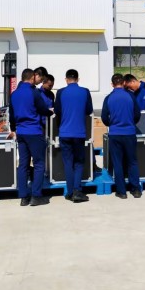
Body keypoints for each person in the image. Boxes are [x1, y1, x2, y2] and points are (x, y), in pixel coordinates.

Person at [9, 68, 53, 207]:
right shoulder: (34, 92)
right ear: (32, 77)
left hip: (21, 133)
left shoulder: (14, 94)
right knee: (39, 164)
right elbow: (42, 109)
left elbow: (11, 115)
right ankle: (36, 196)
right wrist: (51, 112)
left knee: (23, 165)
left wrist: (14, 129)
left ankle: (23, 197)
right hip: (34, 131)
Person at [54, 69, 93, 203]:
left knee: (67, 163)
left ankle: (70, 192)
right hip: (79, 132)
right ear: (78, 79)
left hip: (64, 132)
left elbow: (57, 111)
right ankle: (77, 191)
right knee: (79, 162)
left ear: (66, 79)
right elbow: (89, 110)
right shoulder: (85, 91)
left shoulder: (60, 92)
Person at [101, 73, 141, 199]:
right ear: (124, 83)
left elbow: (104, 117)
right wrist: (130, 123)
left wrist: (111, 124)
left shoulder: (108, 98)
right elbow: (137, 114)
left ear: (112, 84)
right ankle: (136, 189)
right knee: (132, 161)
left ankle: (121, 191)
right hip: (129, 132)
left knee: (117, 163)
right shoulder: (130, 96)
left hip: (115, 133)